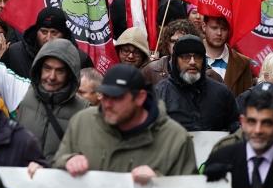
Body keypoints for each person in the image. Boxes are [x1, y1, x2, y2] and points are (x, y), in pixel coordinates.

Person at [0, 0, 89, 158]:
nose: (51, 76)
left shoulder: (84, 110)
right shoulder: (22, 91)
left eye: (60, 70)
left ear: (71, 72)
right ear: (38, 68)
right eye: (47, 68)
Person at [45, 64, 197, 181]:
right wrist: (68, 161)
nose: (107, 104)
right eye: (104, 96)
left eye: (117, 97)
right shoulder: (82, 122)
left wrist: (160, 183)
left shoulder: (175, 139)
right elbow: (56, 167)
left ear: (140, 98)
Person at [155, 35, 238, 132]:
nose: (192, 62)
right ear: (175, 61)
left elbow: (235, 127)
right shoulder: (160, 93)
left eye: (197, 57)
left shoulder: (222, 93)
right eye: (186, 57)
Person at [0, 6, 94, 78]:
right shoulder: (15, 53)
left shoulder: (80, 59)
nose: (48, 38)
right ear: (36, 31)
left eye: (54, 32)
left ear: (64, 34)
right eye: (44, 32)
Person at [142, 19, 224, 85]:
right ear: (167, 44)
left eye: (182, 41)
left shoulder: (210, 75)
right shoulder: (151, 70)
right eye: (174, 41)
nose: (177, 45)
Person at [202, 15, 253, 96]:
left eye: (224, 29)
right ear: (204, 27)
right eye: (214, 28)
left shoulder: (243, 63)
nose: (219, 33)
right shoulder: (191, 57)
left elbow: (247, 101)